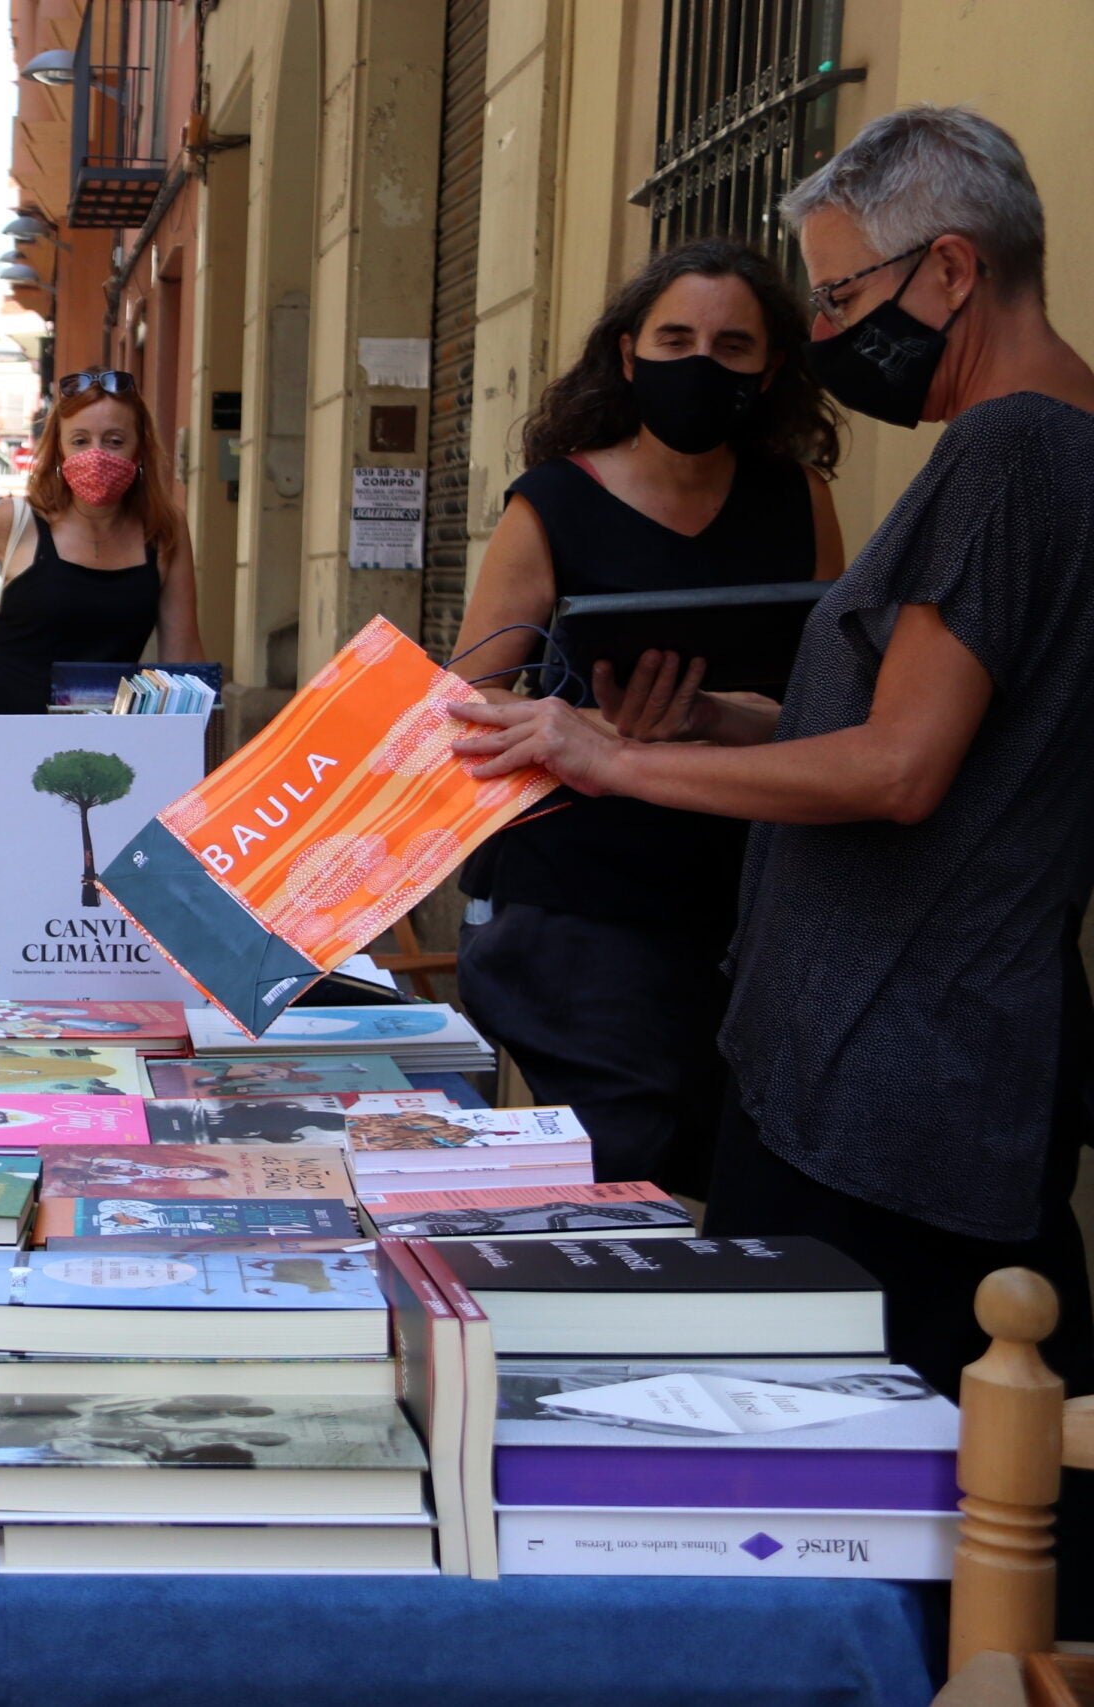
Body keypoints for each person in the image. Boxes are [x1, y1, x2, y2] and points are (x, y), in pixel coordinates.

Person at [449, 106, 1094, 1408]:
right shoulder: (1061, 444)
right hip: (921, 1061)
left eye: (844, 294)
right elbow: (950, 736)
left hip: (887, 1082)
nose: (837, 334)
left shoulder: (1006, 447)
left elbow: (899, 768)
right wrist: (727, 719)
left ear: (953, 271)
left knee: (831, 1468)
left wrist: (607, 757)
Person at [450, 238, 844, 1195]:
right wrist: (578, 723)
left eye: (733, 344)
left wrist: (717, 717)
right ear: (628, 356)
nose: (701, 363)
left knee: (735, 1170)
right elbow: (463, 700)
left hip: (751, 903)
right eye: (676, 338)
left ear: (772, 368)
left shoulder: (802, 500)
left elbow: (836, 710)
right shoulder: (553, 502)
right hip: (581, 907)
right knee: (629, 1160)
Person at [0, 368, 206, 762]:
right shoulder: (18, 521)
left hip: (104, 749)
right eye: (80, 440)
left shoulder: (163, 530)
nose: (97, 455)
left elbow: (183, 657)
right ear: (59, 450)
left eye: (115, 441)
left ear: (139, 450)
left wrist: (193, 756)